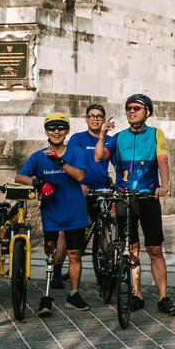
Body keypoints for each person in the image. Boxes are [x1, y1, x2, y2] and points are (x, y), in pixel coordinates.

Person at [99, 93, 175, 315]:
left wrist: (165, 185)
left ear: (147, 112)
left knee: (154, 248)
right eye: (129, 108)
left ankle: (163, 297)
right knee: (130, 248)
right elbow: (98, 157)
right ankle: (136, 294)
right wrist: (103, 135)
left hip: (148, 197)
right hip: (124, 198)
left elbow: (162, 161)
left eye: (136, 108)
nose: (131, 111)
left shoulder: (155, 135)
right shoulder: (119, 137)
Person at [17, 112, 91, 315]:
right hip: (51, 213)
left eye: (60, 128)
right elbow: (19, 175)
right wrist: (38, 182)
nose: (56, 131)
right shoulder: (38, 157)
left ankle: (74, 294)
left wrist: (59, 162)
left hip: (75, 212)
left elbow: (80, 175)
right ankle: (47, 295)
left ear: (67, 131)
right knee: (50, 255)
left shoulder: (76, 152)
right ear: (46, 132)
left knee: (75, 254)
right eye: (52, 128)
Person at [58, 103, 115, 289]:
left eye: (99, 116)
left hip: (101, 190)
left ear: (104, 119)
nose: (95, 119)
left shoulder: (109, 140)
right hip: (80, 190)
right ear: (86, 119)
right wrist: (78, 184)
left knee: (104, 229)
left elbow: (118, 163)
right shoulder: (77, 139)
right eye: (92, 115)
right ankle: (57, 271)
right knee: (68, 233)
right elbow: (69, 163)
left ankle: (106, 268)